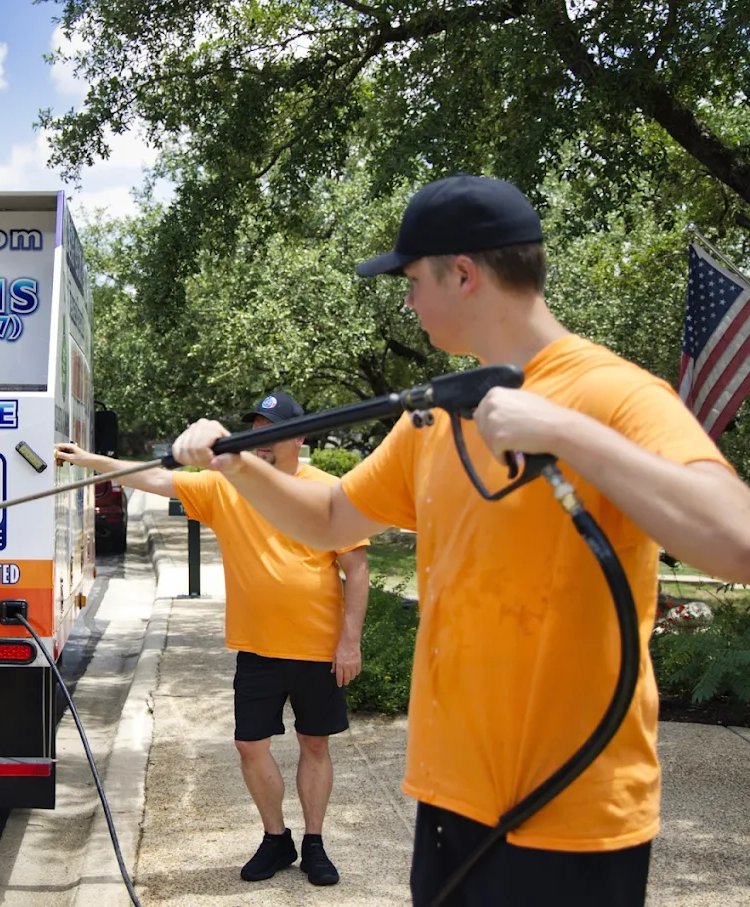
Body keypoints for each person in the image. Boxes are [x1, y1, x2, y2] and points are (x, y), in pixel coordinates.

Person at [169, 173, 750, 906]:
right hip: (448, 803)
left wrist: (569, 434)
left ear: (464, 273)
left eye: (412, 279)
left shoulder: (615, 392)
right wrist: (238, 465)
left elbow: (738, 540)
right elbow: (328, 520)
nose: (407, 301)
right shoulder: (439, 417)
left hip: (572, 815)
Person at [55, 393, 371, 887]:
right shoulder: (228, 487)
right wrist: (90, 461)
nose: (259, 439)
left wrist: (349, 642)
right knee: (250, 745)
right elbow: (155, 478)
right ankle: (275, 839)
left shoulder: (329, 489)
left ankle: (314, 843)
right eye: (254, 429)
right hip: (259, 646)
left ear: (298, 437)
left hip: (319, 648)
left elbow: (357, 567)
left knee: (315, 744)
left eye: (271, 429)